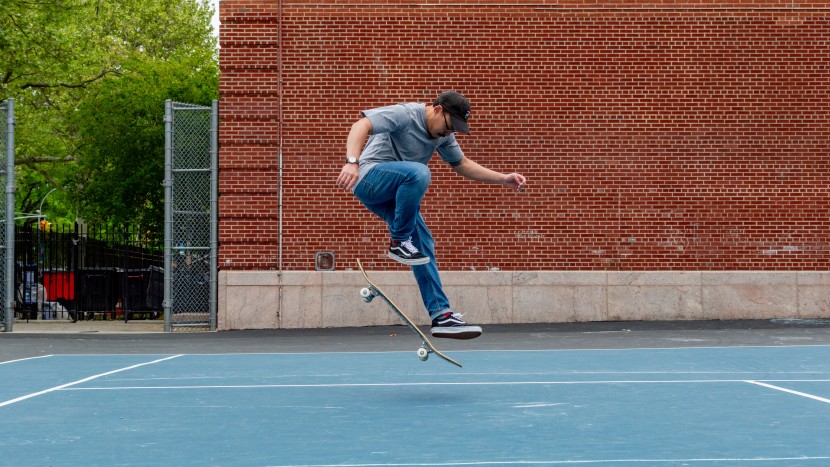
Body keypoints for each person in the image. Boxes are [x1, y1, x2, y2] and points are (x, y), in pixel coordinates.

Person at [336, 91, 527, 339]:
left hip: (396, 195)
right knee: (419, 173)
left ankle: (441, 316)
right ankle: (398, 241)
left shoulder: (442, 136)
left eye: (454, 131)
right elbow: (362, 124)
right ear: (437, 109)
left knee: (423, 246)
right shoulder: (405, 114)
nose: (448, 134)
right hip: (369, 179)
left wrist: (504, 179)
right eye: (448, 127)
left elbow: (462, 165)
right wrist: (352, 161)